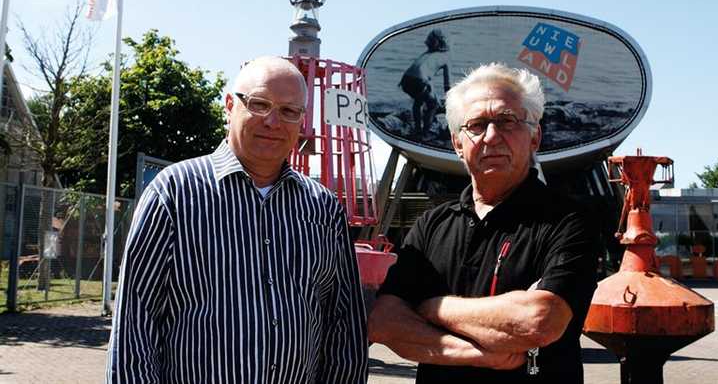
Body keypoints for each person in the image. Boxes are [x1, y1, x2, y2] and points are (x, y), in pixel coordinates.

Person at [106, 56, 368, 383]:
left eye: (289, 111)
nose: (273, 122)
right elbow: (136, 322)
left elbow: (342, 326)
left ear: (302, 120)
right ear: (230, 106)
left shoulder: (323, 209)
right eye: (259, 105)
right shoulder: (173, 193)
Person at [368, 62, 598, 383]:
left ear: (535, 137)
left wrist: (432, 308)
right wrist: (480, 354)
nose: (491, 137)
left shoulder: (569, 221)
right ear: (457, 144)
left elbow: (539, 320)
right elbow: (384, 321)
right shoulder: (431, 226)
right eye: (476, 125)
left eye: (507, 121)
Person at [398, 29, 452, 137]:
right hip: (419, 80)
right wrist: (450, 100)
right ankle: (425, 133)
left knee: (419, 101)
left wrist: (432, 93)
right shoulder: (445, 58)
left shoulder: (426, 54)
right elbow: (447, 85)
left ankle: (418, 129)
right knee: (433, 105)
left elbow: (425, 75)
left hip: (405, 80)